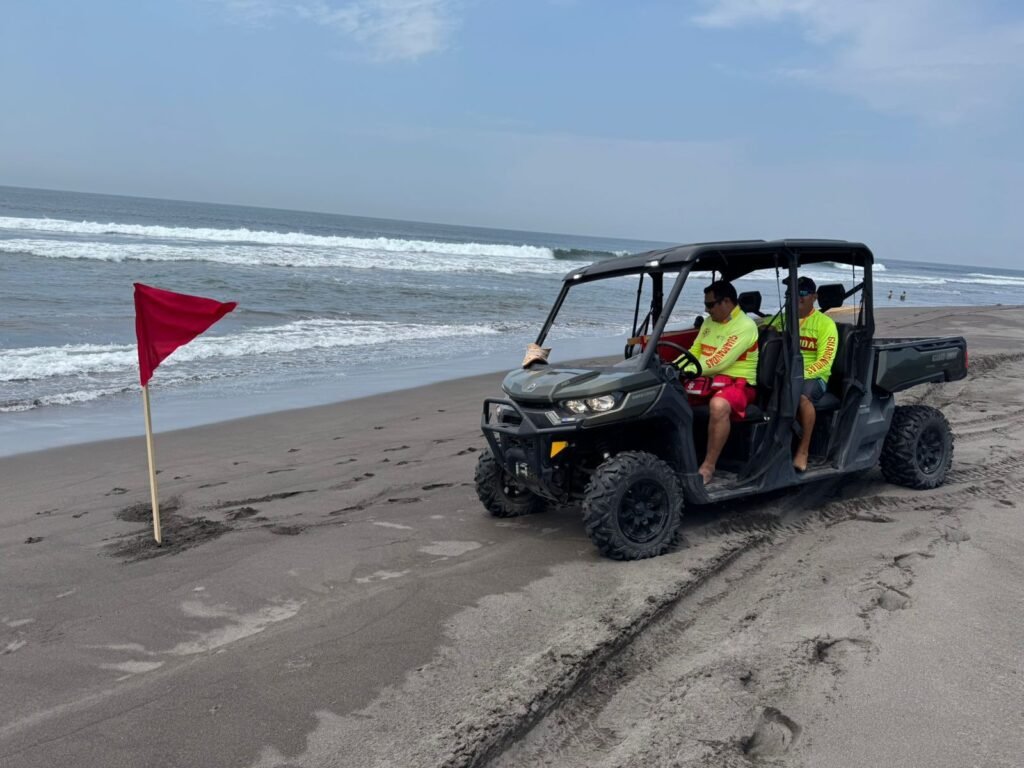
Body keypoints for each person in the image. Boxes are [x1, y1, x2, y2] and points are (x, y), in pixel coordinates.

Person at [673, 280, 759, 485]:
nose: (707, 309)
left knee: (718, 405)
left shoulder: (745, 326)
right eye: (706, 304)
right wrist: (673, 367)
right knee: (670, 396)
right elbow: (695, 351)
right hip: (706, 381)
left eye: (710, 304)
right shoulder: (709, 322)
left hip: (739, 384)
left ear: (726, 302)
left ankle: (708, 466)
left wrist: (688, 371)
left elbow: (719, 361)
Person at [770, 276, 839, 471]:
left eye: (802, 293)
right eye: (791, 293)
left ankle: (803, 450)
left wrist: (799, 376)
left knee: (800, 397)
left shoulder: (825, 324)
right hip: (786, 374)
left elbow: (825, 362)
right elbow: (764, 328)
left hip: (815, 377)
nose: (797, 298)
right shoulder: (783, 320)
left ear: (814, 297)